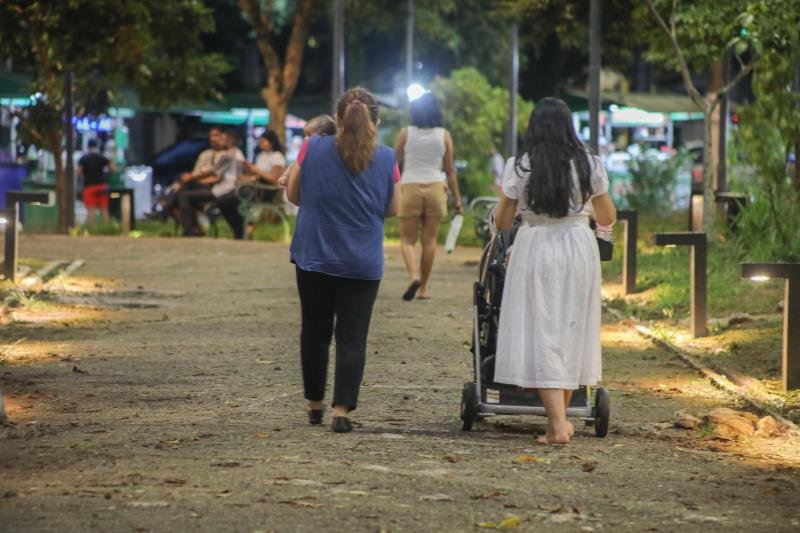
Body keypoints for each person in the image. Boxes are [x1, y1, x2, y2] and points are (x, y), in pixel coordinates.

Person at [492, 97, 617, 445]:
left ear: (534, 127)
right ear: (568, 127)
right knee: (571, 329)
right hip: (579, 247)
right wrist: (582, 206)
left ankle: (559, 426)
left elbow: (502, 221)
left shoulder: (520, 165)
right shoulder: (590, 165)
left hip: (535, 248)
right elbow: (607, 217)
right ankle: (556, 423)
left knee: (542, 330)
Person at [286, 88, 400, 433]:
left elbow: (293, 194)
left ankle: (314, 405)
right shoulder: (388, 157)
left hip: (314, 256)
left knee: (315, 331)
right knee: (352, 336)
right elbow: (393, 209)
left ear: (336, 119)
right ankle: (341, 411)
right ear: (376, 121)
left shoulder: (312, 147)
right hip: (362, 263)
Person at [393, 92, 462, 301]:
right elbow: (450, 170)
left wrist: (389, 188)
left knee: (407, 240)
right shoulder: (444, 135)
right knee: (430, 241)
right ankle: (423, 289)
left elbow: (392, 163)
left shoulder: (405, 133)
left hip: (410, 186)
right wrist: (457, 199)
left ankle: (414, 275)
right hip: (435, 186)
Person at [177, 128, 246, 238]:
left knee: (185, 195)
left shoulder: (229, 155)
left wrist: (191, 177)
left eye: (223, 139)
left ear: (230, 140)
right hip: (225, 189)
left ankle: (189, 229)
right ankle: (193, 228)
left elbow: (214, 171)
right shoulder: (238, 153)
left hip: (222, 191)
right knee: (185, 191)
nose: (220, 141)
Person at [78, 139, 115, 224]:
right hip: (102, 186)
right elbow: (113, 168)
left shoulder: (84, 158)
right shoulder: (102, 157)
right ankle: (107, 229)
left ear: (88, 147)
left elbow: (78, 172)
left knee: (91, 209)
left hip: (89, 186)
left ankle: (93, 230)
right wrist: (106, 173)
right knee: (104, 209)